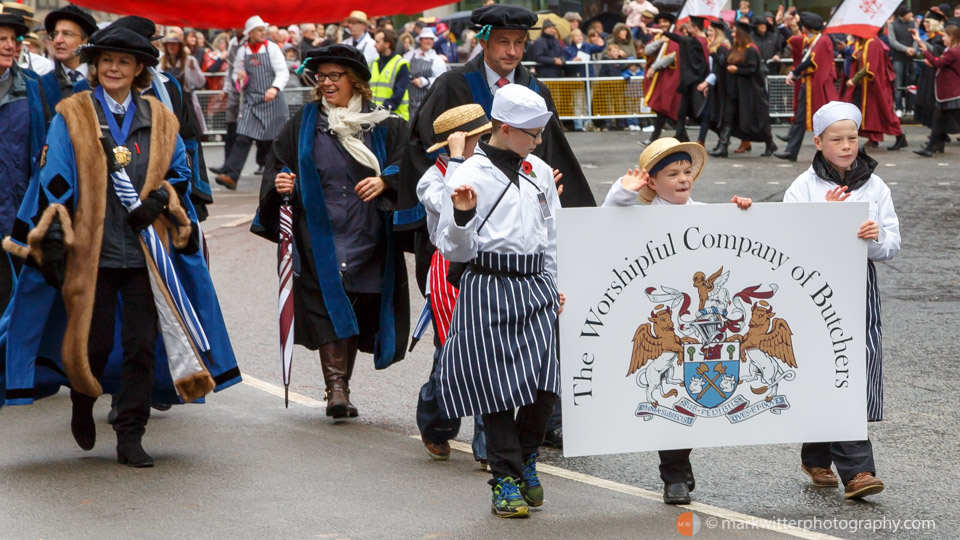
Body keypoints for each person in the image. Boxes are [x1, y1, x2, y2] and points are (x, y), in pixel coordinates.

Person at [1, 24, 240, 467]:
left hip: (147, 252)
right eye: (106, 60)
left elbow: (181, 172)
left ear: (139, 70)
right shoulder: (72, 113)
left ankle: (131, 433)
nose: (113, 68)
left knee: (141, 344)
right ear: (95, 67)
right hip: (92, 253)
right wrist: (54, 230)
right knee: (91, 344)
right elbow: (55, 175)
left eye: (124, 62)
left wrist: (157, 199)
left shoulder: (161, 118)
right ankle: (81, 399)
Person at [251, 43, 409, 419]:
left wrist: (386, 182)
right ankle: (336, 388)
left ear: (355, 80)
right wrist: (282, 183)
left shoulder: (384, 124)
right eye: (321, 77)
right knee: (325, 302)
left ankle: (341, 385)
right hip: (320, 232)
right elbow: (279, 165)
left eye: (334, 76)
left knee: (356, 303)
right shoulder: (304, 123)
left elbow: (409, 164)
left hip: (369, 231)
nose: (325, 83)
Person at [600, 137, 753, 505]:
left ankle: (680, 470)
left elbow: (740, 246)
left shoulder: (707, 213)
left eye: (688, 172)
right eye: (672, 174)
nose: (683, 179)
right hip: (666, 319)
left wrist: (743, 211)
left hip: (706, 327)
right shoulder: (639, 215)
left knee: (698, 389)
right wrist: (624, 192)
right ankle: (675, 476)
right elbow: (603, 220)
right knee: (672, 390)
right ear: (652, 182)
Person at [434, 84, 562, 518]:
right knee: (495, 390)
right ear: (505, 129)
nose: (538, 141)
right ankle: (504, 479)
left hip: (536, 285)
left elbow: (553, 234)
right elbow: (451, 247)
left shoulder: (540, 170)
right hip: (487, 283)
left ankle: (526, 458)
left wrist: (557, 282)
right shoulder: (467, 172)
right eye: (532, 133)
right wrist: (464, 214)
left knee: (545, 385)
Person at [784, 101, 899, 499]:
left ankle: (816, 454)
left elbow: (892, 244)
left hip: (858, 283)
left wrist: (875, 237)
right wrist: (825, 222)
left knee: (859, 361)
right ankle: (858, 471)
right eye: (837, 139)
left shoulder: (876, 185)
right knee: (829, 364)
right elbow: (787, 244)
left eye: (852, 138)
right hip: (814, 287)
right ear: (818, 142)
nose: (847, 145)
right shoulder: (803, 187)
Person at [415, 104, 493, 467]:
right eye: (478, 137)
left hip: (489, 265)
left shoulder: (494, 168)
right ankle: (436, 424)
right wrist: (459, 160)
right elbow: (451, 206)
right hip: (449, 266)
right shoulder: (432, 178)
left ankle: (488, 444)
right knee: (453, 352)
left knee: (491, 353)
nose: (485, 142)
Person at [0, 13, 47, 314]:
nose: (9, 46)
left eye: (13, 40)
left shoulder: (33, 88)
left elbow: (44, 153)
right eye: (1, 40)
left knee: (15, 305)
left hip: (18, 217)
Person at [215, 16, 289, 190]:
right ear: (250, 33)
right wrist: (240, 79)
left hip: (273, 102)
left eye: (264, 30)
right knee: (243, 136)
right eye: (259, 30)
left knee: (274, 141)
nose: (263, 33)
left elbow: (283, 72)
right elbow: (237, 76)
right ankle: (232, 176)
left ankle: (279, 177)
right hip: (252, 101)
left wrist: (275, 88)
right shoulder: (243, 51)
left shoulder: (272, 48)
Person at [775, 12, 838, 162]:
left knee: (827, 122)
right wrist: (780, 25)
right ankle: (791, 151)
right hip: (809, 86)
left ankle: (834, 152)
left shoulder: (821, 40)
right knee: (800, 119)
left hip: (818, 87)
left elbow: (811, 60)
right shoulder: (810, 40)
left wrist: (793, 72)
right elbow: (792, 40)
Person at [711, 20, 777, 158]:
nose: (732, 34)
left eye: (735, 31)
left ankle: (770, 143)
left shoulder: (751, 49)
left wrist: (737, 70)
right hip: (733, 91)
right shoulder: (735, 48)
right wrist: (713, 53)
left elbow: (753, 69)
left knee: (756, 120)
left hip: (749, 92)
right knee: (728, 118)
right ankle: (723, 146)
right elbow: (724, 64)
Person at [842, 32, 906, 151]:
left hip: (876, 86)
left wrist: (854, 79)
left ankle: (899, 137)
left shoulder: (873, 43)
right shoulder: (863, 43)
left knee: (884, 112)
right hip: (866, 86)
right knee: (871, 113)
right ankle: (873, 138)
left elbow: (869, 66)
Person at [912, 19, 960, 157]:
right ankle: (930, 148)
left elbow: (938, 63)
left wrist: (926, 52)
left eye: (944, 36)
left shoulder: (952, 52)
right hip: (947, 92)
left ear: (950, 37)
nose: (942, 38)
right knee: (937, 119)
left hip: (950, 93)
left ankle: (930, 148)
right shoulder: (952, 50)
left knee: (953, 119)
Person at [39, 4, 98, 108]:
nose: (58, 40)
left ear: (85, 41)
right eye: (55, 34)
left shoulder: (101, 82)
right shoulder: (42, 85)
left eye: (67, 34)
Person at [661, 17, 710, 143]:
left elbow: (682, 40)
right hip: (690, 82)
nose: (686, 29)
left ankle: (720, 137)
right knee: (682, 111)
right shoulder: (700, 41)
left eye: (689, 26)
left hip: (697, 82)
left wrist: (664, 32)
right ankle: (680, 135)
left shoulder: (699, 41)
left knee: (702, 113)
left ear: (696, 28)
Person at [641, 12, 682, 145]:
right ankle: (680, 135)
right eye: (660, 22)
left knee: (668, 107)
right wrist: (659, 42)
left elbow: (672, 56)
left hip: (670, 78)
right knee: (662, 108)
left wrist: (654, 67)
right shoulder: (658, 37)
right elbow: (647, 51)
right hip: (659, 79)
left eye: (665, 22)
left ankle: (657, 137)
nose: (663, 24)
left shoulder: (676, 37)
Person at [403, 26, 447, 119]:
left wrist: (424, 81)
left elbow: (441, 81)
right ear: (421, 40)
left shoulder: (438, 60)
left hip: (428, 103)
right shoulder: (408, 56)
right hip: (409, 103)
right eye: (426, 38)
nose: (428, 41)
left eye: (431, 39)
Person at [371, 28, 411, 121]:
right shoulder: (373, 64)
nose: (374, 45)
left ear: (387, 44)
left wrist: (384, 108)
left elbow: (399, 91)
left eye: (377, 42)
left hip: (395, 118)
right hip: (376, 117)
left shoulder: (401, 64)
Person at [886, 6, 918, 117]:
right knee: (898, 83)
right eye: (909, 13)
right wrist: (906, 49)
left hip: (911, 57)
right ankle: (899, 107)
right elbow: (892, 41)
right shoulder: (892, 25)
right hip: (898, 57)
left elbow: (916, 39)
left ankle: (910, 107)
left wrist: (913, 49)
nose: (911, 15)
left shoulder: (914, 24)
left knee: (911, 82)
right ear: (904, 14)